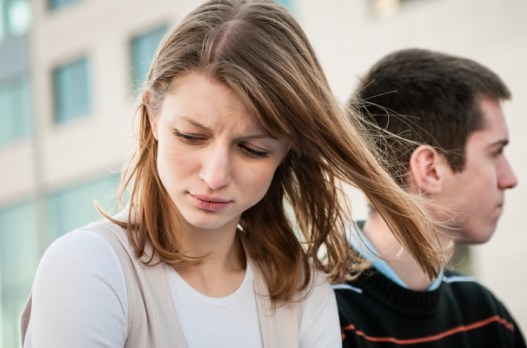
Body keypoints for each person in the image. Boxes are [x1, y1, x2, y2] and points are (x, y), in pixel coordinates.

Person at [21, 2, 444, 347]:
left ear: (287, 149)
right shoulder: (89, 267)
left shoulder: (302, 288)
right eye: (191, 136)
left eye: (253, 149)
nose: (215, 174)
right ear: (151, 115)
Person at [335, 48, 527, 347]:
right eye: (495, 153)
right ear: (429, 170)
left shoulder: (486, 315)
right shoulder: (324, 319)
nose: (509, 179)